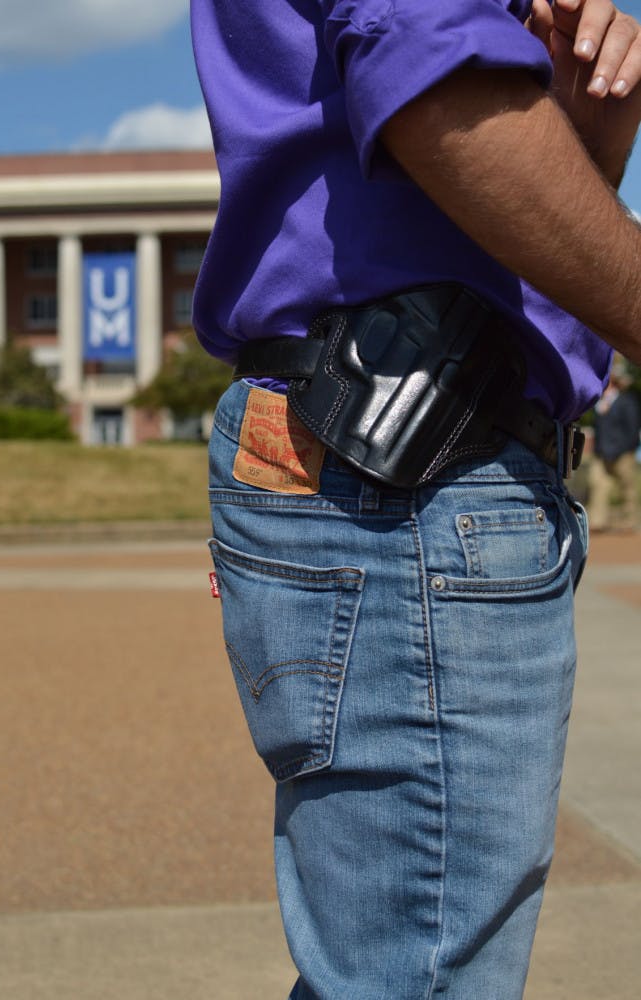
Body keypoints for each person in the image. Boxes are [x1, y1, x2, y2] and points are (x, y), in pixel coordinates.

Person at [190, 1, 641, 996]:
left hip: (400, 454)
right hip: (411, 478)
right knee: (423, 967)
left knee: (395, 959)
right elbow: (433, 87)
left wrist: (576, 141)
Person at [589, 361, 641, 531]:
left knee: (628, 489)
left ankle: (629, 522)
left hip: (623, 453)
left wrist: (625, 448)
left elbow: (632, 428)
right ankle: (598, 521)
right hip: (602, 453)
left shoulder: (627, 401)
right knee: (598, 486)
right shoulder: (599, 402)